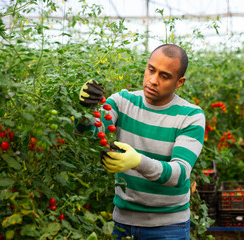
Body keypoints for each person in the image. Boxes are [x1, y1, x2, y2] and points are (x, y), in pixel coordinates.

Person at [76, 44, 206, 240]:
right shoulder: (122, 101)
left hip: (169, 228)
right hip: (122, 223)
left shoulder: (191, 117)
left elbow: (179, 174)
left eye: (165, 76)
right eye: (151, 70)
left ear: (180, 82)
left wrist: (138, 161)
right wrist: (86, 109)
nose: (153, 81)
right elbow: (90, 132)